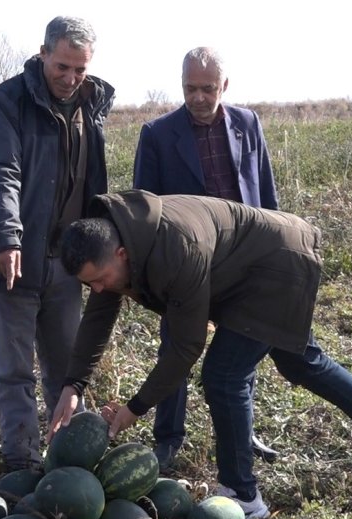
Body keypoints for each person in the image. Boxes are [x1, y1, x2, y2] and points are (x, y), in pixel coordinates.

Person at [50, 191, 352, 519]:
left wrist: (134, 408)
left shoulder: (176, 247)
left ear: (121, 253)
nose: (97, 289)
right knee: (299, 360)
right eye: (88, 284)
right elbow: (99, 316)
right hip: (250, 267)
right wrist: (74, 383)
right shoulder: (119, 243)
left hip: (279, 265)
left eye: (100, 278)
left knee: (224, 376)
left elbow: (185, 346)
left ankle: (240, 494)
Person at [0, 16, 115, 472]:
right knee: (14, 372)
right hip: (12, 258)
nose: (70, 79)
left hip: (65, 261)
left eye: (80, 70)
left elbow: (94, 187)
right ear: (43, 53)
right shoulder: (8, 102)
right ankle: (21, 461)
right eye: (63, 66)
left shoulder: (91, 106)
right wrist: (6, 238)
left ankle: (70, 460)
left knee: (66, 367)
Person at [132, 46, 281, 470]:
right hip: (187, 262)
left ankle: (243, 432)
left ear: (225, 85)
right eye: (190, 88)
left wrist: (273, 250)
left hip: (245, 258)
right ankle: (168, 438)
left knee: (240, 351)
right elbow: (146, 210)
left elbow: (265, 194)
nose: (198, 97)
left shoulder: (248, 124)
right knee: (177, 346)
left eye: (208, 88)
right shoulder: (158, 134)